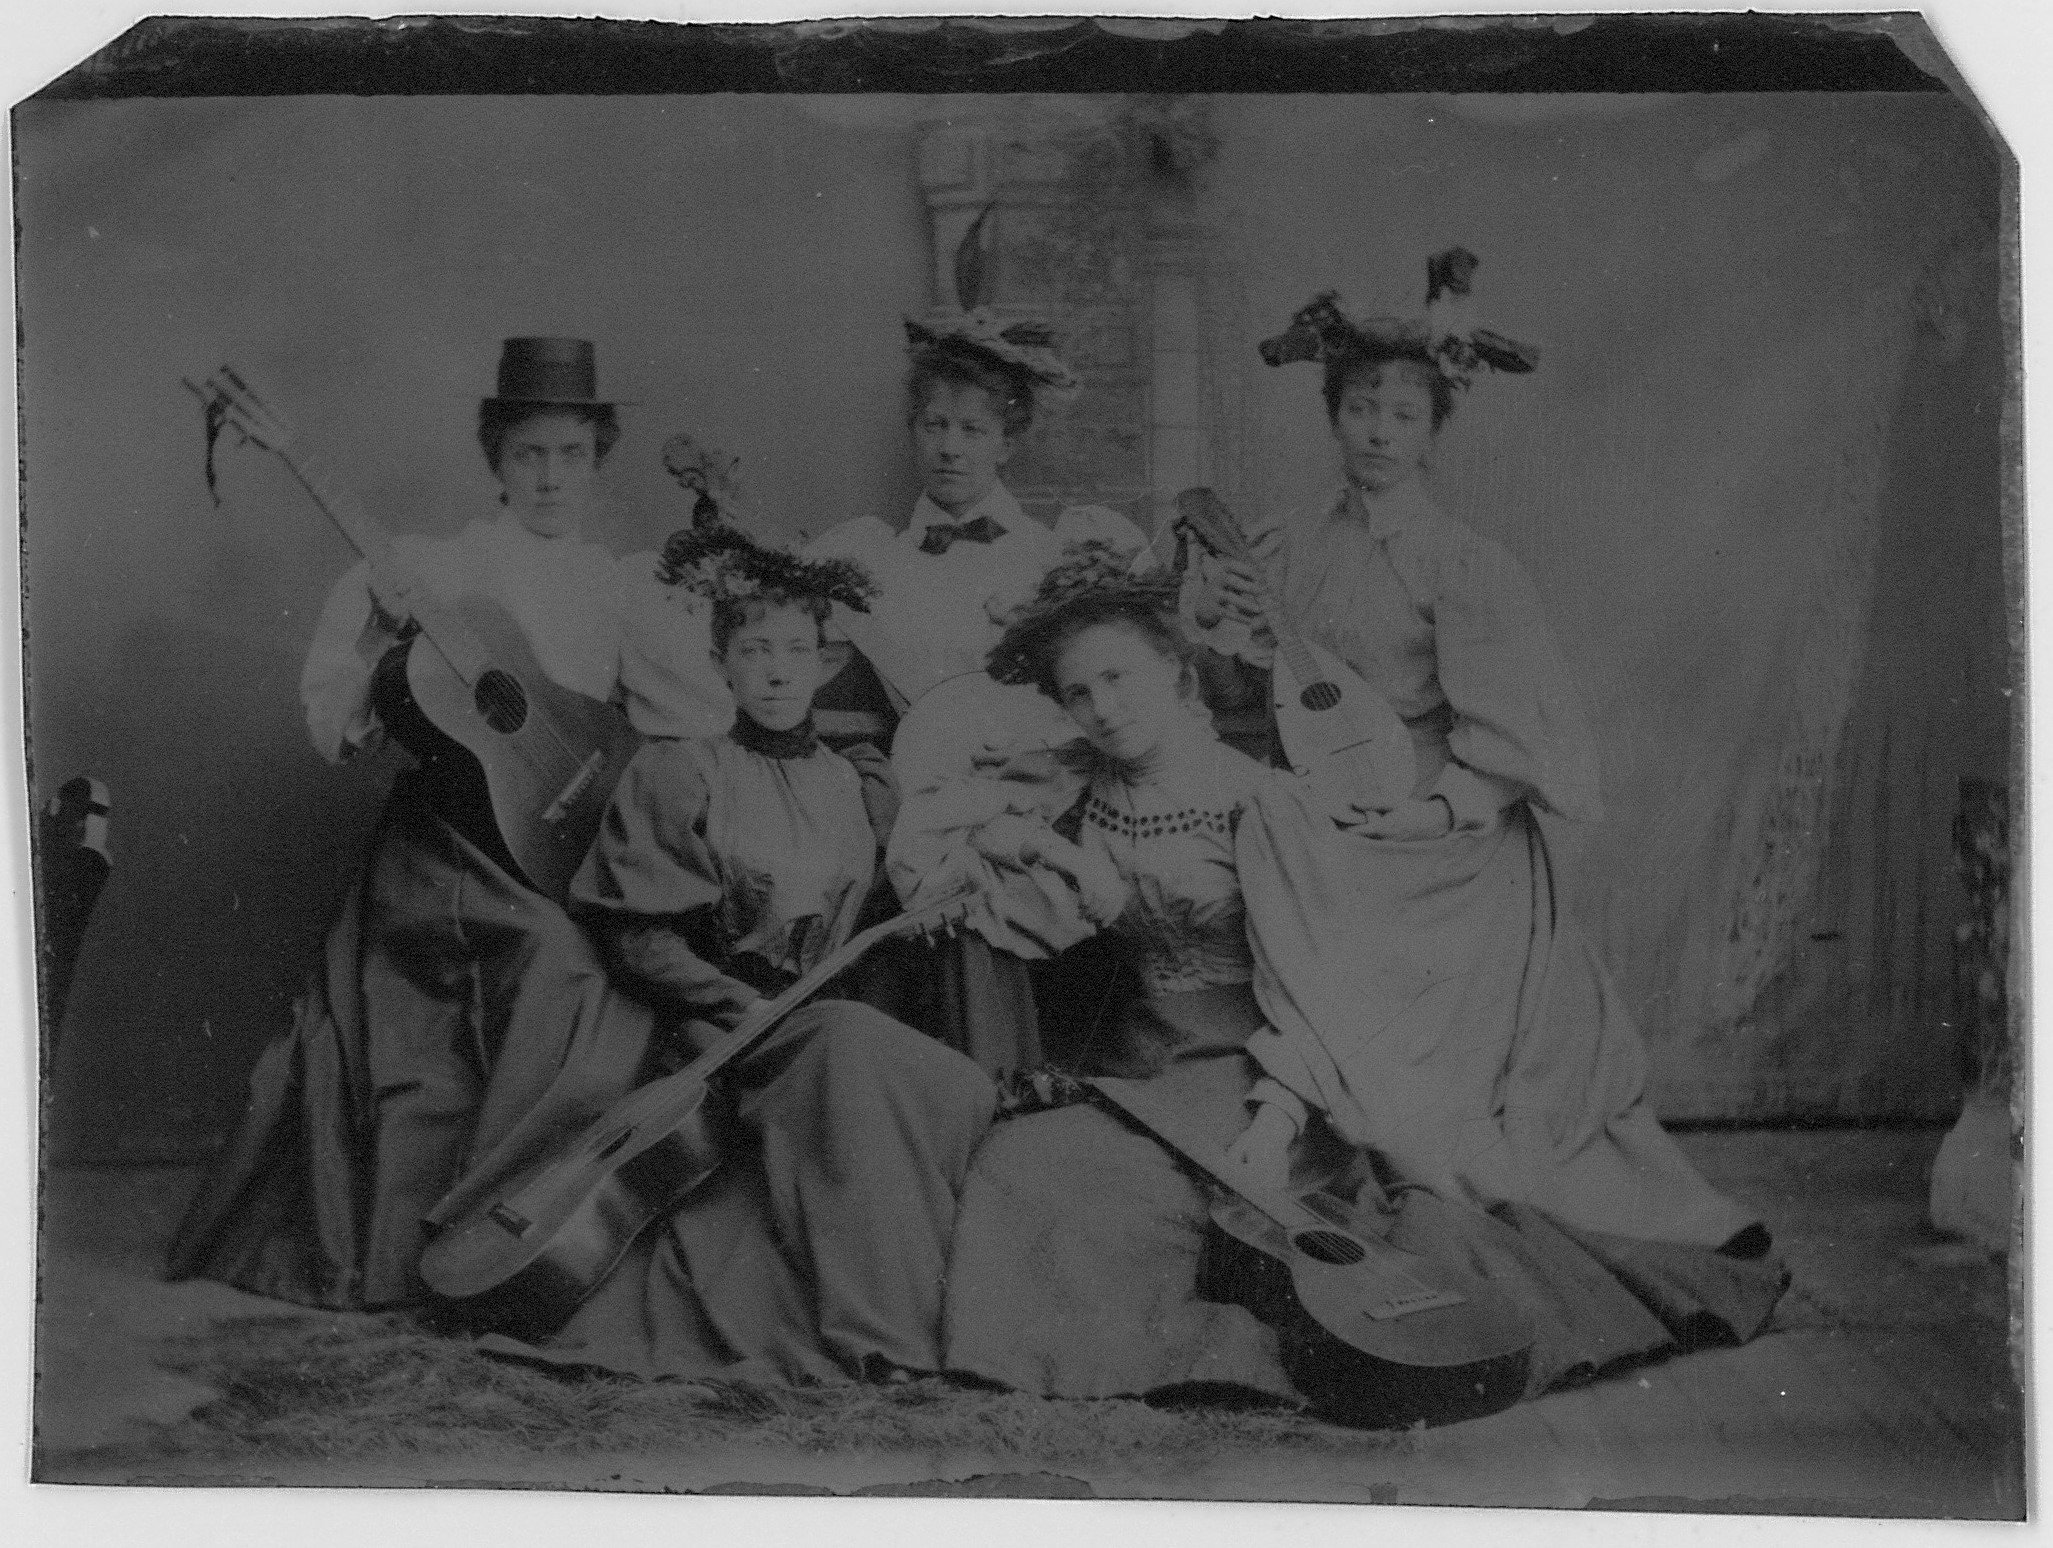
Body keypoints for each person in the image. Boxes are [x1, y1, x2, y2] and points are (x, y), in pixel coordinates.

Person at [918, 543, 1787, 1422]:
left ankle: (1122, 1351)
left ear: (1178, 678)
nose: (1101, 709)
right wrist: (1028, 844)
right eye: (1078, 692)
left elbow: (1322, 988)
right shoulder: (1077, 788)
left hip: (1261, 1076)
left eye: (1118, 678)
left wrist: (1275, 1120)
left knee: (1067, 1168)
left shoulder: (1255, 801)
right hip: (1141, 1065)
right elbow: (997, 865)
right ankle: (1043, 1342)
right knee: (1027, 1153)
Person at [168, 339, 697, 1309]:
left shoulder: (622, 583)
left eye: (570, 455)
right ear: (496, 455)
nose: (549, 475)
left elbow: (685, 719)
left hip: (561, 848)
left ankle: (534, 1234)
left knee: (624, 968)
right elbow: (338, 725)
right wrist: (381, 628)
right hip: (447, 850)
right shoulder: (437, 566)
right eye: (529, 452)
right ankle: (456, 1243)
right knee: (558, 969)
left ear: (597, 458)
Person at [468, 522, 996, 1383]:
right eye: (755, 649)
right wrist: (732, 1004)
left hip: (825, 1011)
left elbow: (884, 914)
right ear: (721, 663)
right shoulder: (682, 772)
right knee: (850, 1050)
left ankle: (947, 1319)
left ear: (827, 663)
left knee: (951, 1081)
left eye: (797, 649)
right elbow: (636, 933)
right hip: (718, 1031)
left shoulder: (859, 779)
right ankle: (881, 1340)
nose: (778, 670)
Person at [803, 308, 1152, 1074]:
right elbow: (784, 645)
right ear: (913, 430)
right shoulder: (870, 562)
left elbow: (1117, 675)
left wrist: (1044, 749)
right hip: (927, 792)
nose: (950, 447)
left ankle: (1031, 1076)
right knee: (954, 878)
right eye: (934, 425)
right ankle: (972, 1084)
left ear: (1008, 439)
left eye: (971, 428)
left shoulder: (1050, 552)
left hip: (1048, 782)